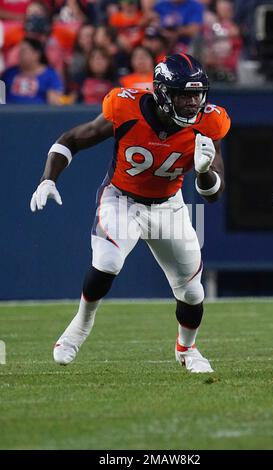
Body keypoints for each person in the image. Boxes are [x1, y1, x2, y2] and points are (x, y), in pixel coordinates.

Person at [30, 53, 231, 373]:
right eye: (184, 95)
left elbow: (213, 195)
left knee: (193, 292)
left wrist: (204, 171)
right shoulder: (125, 108)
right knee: (108, 261)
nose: (193, 103)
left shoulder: (210, 122)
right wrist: (48, 179)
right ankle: (80, 325)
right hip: (122, 200)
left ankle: (187, 349)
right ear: (163, 94)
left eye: (197, 94)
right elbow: (72, 140)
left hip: (170, 206)